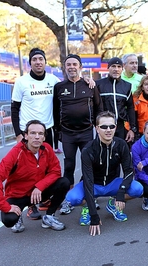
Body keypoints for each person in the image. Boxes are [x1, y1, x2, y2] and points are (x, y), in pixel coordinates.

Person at [65, 111, 143, 236]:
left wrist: (121, 193)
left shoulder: (121, 144)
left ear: (115, 128)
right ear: (97, 128)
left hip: (112, 183)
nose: (108, 130)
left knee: (138, 189)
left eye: (111, 126)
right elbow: (88, 181)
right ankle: (87, 206)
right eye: (104, 127)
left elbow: (129, 172)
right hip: (93, 185)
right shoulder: (88, 150)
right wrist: (94, 215)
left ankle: (112, 204)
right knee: (72, 198)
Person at [0, 120, 70, 233]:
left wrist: (40, 186)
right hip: (18, 196)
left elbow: (55, 171)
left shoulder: (46, 149)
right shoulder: (16, 153)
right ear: (26, 135)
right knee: (9, 219)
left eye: (40, 134)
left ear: (44, 137)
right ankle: (18, 216)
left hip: (38, 193)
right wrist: (6, 207)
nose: (37, 137)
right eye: (32, 133)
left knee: (64, 182)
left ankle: (49, 216)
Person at [53, 54, 103, 214]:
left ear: (80, 67)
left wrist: (99, 128)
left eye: (75, 64)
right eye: (68, 64)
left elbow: (98, 107)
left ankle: (89, 197)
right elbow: (55, 111)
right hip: (67, 133)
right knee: (69, 166)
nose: (72, 67)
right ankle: (68, 199)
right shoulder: (59, 87)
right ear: (65, 67)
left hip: (86, 132)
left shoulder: (90, 85)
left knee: (89, 165)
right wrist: (58, 131)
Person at [11, 48, 59, 146]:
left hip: (46, 131)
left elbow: (69, 86)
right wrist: (18, 134)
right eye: (34, 59)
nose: (38, 62)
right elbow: (14, 109)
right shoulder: (21, 82)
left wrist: (86, 80)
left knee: (45, 161)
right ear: (30, 63)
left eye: (41, 59)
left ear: (45, 62)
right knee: (28, 161)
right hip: (27, 131)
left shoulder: (53, 80)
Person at [97, 57, 137, 142]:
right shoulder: (98, 84)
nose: (116, 69)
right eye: (113, 66)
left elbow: (130, 108)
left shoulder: (127, 86)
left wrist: (132, 129)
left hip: (120, 126)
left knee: (119, 152)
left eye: (119, 67)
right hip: (104, 126)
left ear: (122, 69)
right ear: (108, 68)